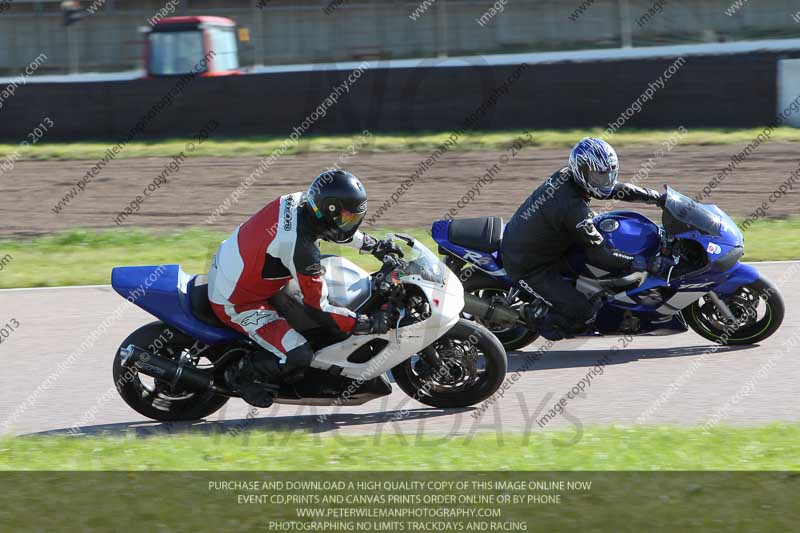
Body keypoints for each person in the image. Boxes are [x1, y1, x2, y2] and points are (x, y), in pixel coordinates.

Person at [208, 169, 402, 407]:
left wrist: (374, 245)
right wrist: (365, 323)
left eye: (354, 218)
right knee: (299, 353)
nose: (351, 223)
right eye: (348, 218)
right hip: (239, 301)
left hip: (245, 268)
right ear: (328, 210)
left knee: (329, 273)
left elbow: (333, 230)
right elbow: (317, 308)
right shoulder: (300, 246)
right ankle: (244, 375)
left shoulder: (305, 202)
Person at [500, 137, 672, 340]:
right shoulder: (572, 208)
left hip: (548, 244)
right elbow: (600, 254)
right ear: (581, 171)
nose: (605, 181)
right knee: (583, 311)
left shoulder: (569, 177)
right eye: (600, 176)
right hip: (528, 265)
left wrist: (655, 197)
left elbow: (615, 189)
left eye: (609, 174)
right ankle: (533, 319)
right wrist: (641, 263)